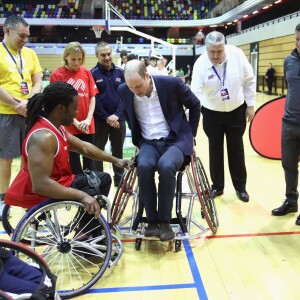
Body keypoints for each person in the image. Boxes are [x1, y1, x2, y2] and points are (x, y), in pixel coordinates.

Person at [5, 82, 130, 220]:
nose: (77, 112)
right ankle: (87, 232)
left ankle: (85, 228)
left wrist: (116, 160)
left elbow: (84, 147)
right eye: (75, 108)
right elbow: (40, 185)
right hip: (46, 188)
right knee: (103, 180)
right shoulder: (44, 137)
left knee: (101, 178)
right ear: (61, 108)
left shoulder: (55, 126)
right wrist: (81, 195)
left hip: (57, 181)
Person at [118, 59, 201, 241]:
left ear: (147, 76)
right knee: (145, 166)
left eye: (138, 86)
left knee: (165, 167)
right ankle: (152, 222)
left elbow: (195, 105)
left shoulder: (171, 84)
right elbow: (126, 113)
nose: (135, 91)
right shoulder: (124, 90)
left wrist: (191, 134)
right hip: (148, 142)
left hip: (176, 140)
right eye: (131, 87)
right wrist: (138, 138)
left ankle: (164, 222)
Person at [191, 31, 255, 202]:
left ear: (224, 46)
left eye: (219, 51)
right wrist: (192, 121)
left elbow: (249, 79)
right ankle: (217, 186)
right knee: (215, 150)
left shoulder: (237, 55)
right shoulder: (200, 64)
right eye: (212, 51)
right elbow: (195, 94)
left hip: (236, 110)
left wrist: (251, 105)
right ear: (206, 48)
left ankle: (240, 187)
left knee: (236, 150)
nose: (216, 55)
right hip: (212, 112)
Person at [0, 15, 43, 219]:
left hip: (29, 112)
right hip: (5, 113)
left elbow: (37, 81)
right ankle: (3, 201)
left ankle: (30, 201)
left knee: (31, 160)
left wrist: (29, 102)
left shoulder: (30, 54)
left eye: (27, 36)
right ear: (7, 31)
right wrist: (17, 104)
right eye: (21, 35)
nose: (25, 40)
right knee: (5, 160)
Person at [50, 42, 98, 175]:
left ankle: (91, 192)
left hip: (87, 126)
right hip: (69, 126)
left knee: (89, 163)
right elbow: (58, 103)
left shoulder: (87, 72)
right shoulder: (57, 75)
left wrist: (88, 120)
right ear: (66, 56)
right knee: (74, 164)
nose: (77, 63)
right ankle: (77, 193)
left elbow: (92, 97)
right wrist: (75, 122)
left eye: (79, 59)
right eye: (73, 59)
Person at [271, 23, 300, 225]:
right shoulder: (289, 60)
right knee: (288, 165)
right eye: (297, 39)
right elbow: (290, 89)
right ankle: (291, 201)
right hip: (289, 122)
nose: (299, 43)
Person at [90, 42, 126, 187]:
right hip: (100, 120)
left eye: (109, 54)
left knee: (118, 150)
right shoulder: (92, 74)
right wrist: (106, 117)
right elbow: (94, 99)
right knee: (98, 151)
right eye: (103, 55)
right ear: (97, 56)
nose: (107, 57)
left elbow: (124, 96)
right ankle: (100, 181)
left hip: (119, 119)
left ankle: (119, 179)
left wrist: (117, 115)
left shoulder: (120, 72)